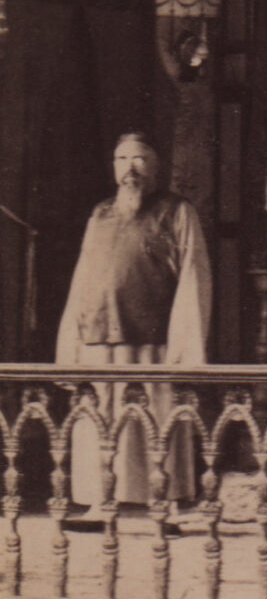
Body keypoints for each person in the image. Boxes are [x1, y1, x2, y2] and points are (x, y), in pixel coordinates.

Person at [55, 131, 210, 511]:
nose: (131, 169)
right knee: (100, 417)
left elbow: (194, 276)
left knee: (154, 417)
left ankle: (161, 499)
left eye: (140, 159)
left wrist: (186, 347)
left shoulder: (177, 211)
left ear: (156, 168)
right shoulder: (100, 213)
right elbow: (82, 278)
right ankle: (100, 500)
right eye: (122, 160)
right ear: (113, 169)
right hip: (98, 337)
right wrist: (71, 342)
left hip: (151, 342)